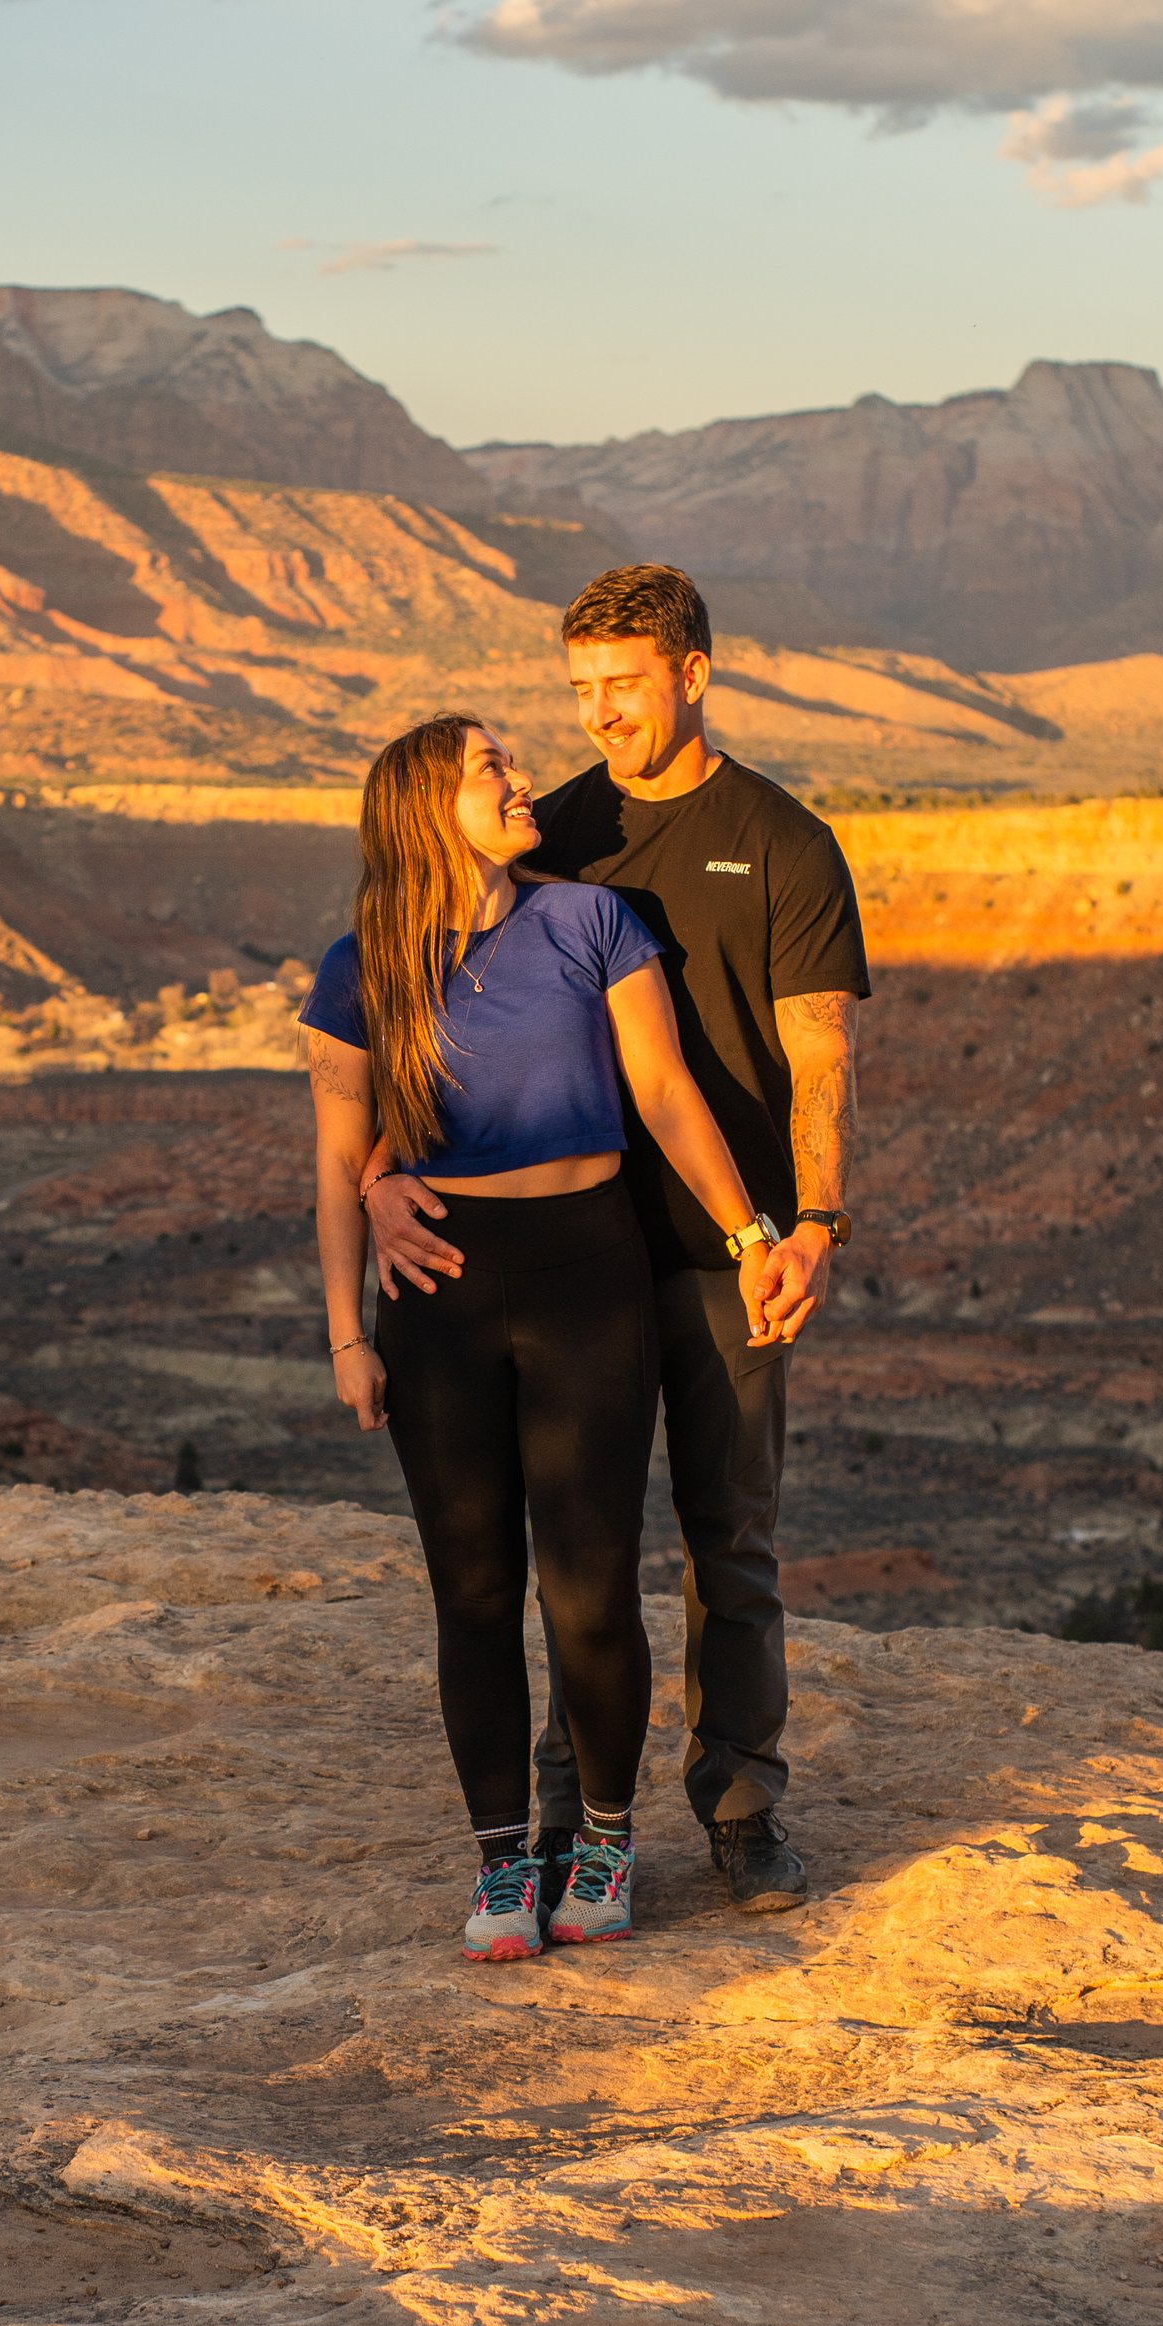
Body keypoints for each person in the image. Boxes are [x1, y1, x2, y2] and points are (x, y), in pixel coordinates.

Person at [366, 566, 869, 1916]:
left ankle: (743, 1804)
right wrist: (374, 1182)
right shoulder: (553, 837)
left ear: (695, 672)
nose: (600, 716)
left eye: (626, 686)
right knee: (565, 1551)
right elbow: (440, 1024)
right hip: (573, 1249)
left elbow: (819, 1052)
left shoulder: (785, 840)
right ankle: (561, 1808)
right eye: (579, 690)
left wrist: (810, 1220)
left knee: (728, 1533)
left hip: (726, 1247)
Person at [307, 709, 788, 1964]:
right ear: (427, 810)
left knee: (587, 1585)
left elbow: (666, 1096)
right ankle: (501, 1863)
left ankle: (608, 1841)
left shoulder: (589, 922)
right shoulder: (360, 964)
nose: (521, 783)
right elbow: (335, 1160)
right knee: (469, 1591)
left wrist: (751, 1238)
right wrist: (347, 1334)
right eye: (491, 770)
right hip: (440, 1293)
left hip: (588, 1272)